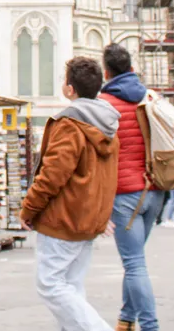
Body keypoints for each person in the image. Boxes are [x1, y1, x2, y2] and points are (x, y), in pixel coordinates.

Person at [21, 56, 120, 331]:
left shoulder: (70, 125)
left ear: (69, 88)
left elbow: (52, 176)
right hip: (88, 219)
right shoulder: (108, 124)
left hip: (64, 219)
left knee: (50, 285)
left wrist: (29, 209)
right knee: (72, 287)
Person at [98, 43, 163, 331]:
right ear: (132, 69)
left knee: (135, 264)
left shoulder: (103, 104)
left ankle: (150, 326)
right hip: (155, 190)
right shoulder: (150, 97)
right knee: (135, 261)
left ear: (106, 72)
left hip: (125, 196)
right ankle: (127, 319)